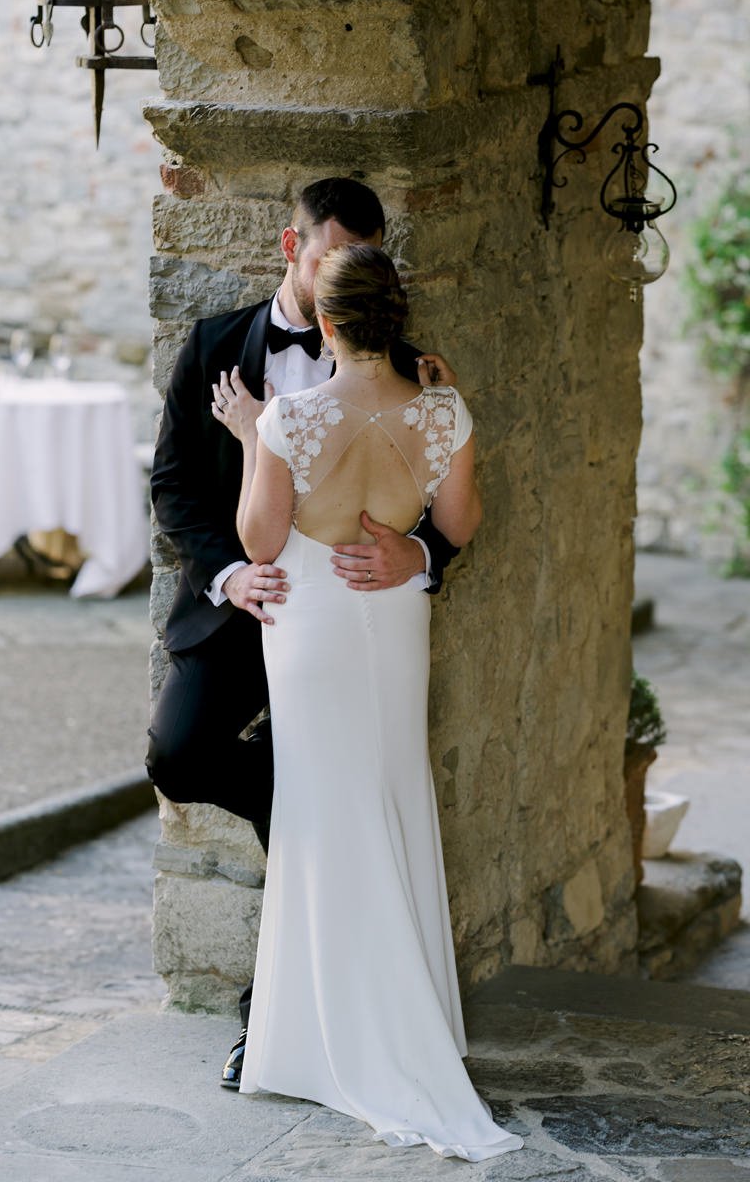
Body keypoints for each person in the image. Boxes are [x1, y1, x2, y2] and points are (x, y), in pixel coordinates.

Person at [211, 243, 524, 1162]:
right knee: (391, 796)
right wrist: (416, 536)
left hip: (310, 628)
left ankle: (322, 1036)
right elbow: (458, 527)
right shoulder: (444, 408)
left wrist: (249, 440)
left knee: (322, 813)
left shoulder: (290, 419)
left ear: (331, 322)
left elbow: (261, 540)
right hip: (393, 624)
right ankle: (408, 1021)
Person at [146, 178, 460, 1087]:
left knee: (326, 787)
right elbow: (174, 484)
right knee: (180, 754)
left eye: (363, 262)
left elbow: (447, 489)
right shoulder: (213, 345)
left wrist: (424, 558)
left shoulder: (397, 362)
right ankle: (303, 806)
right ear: (292, 249)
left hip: (345, 616)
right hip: (247, 608)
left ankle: (270, 1023)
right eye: (332, 257)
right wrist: (229, 574)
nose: (344, 277)